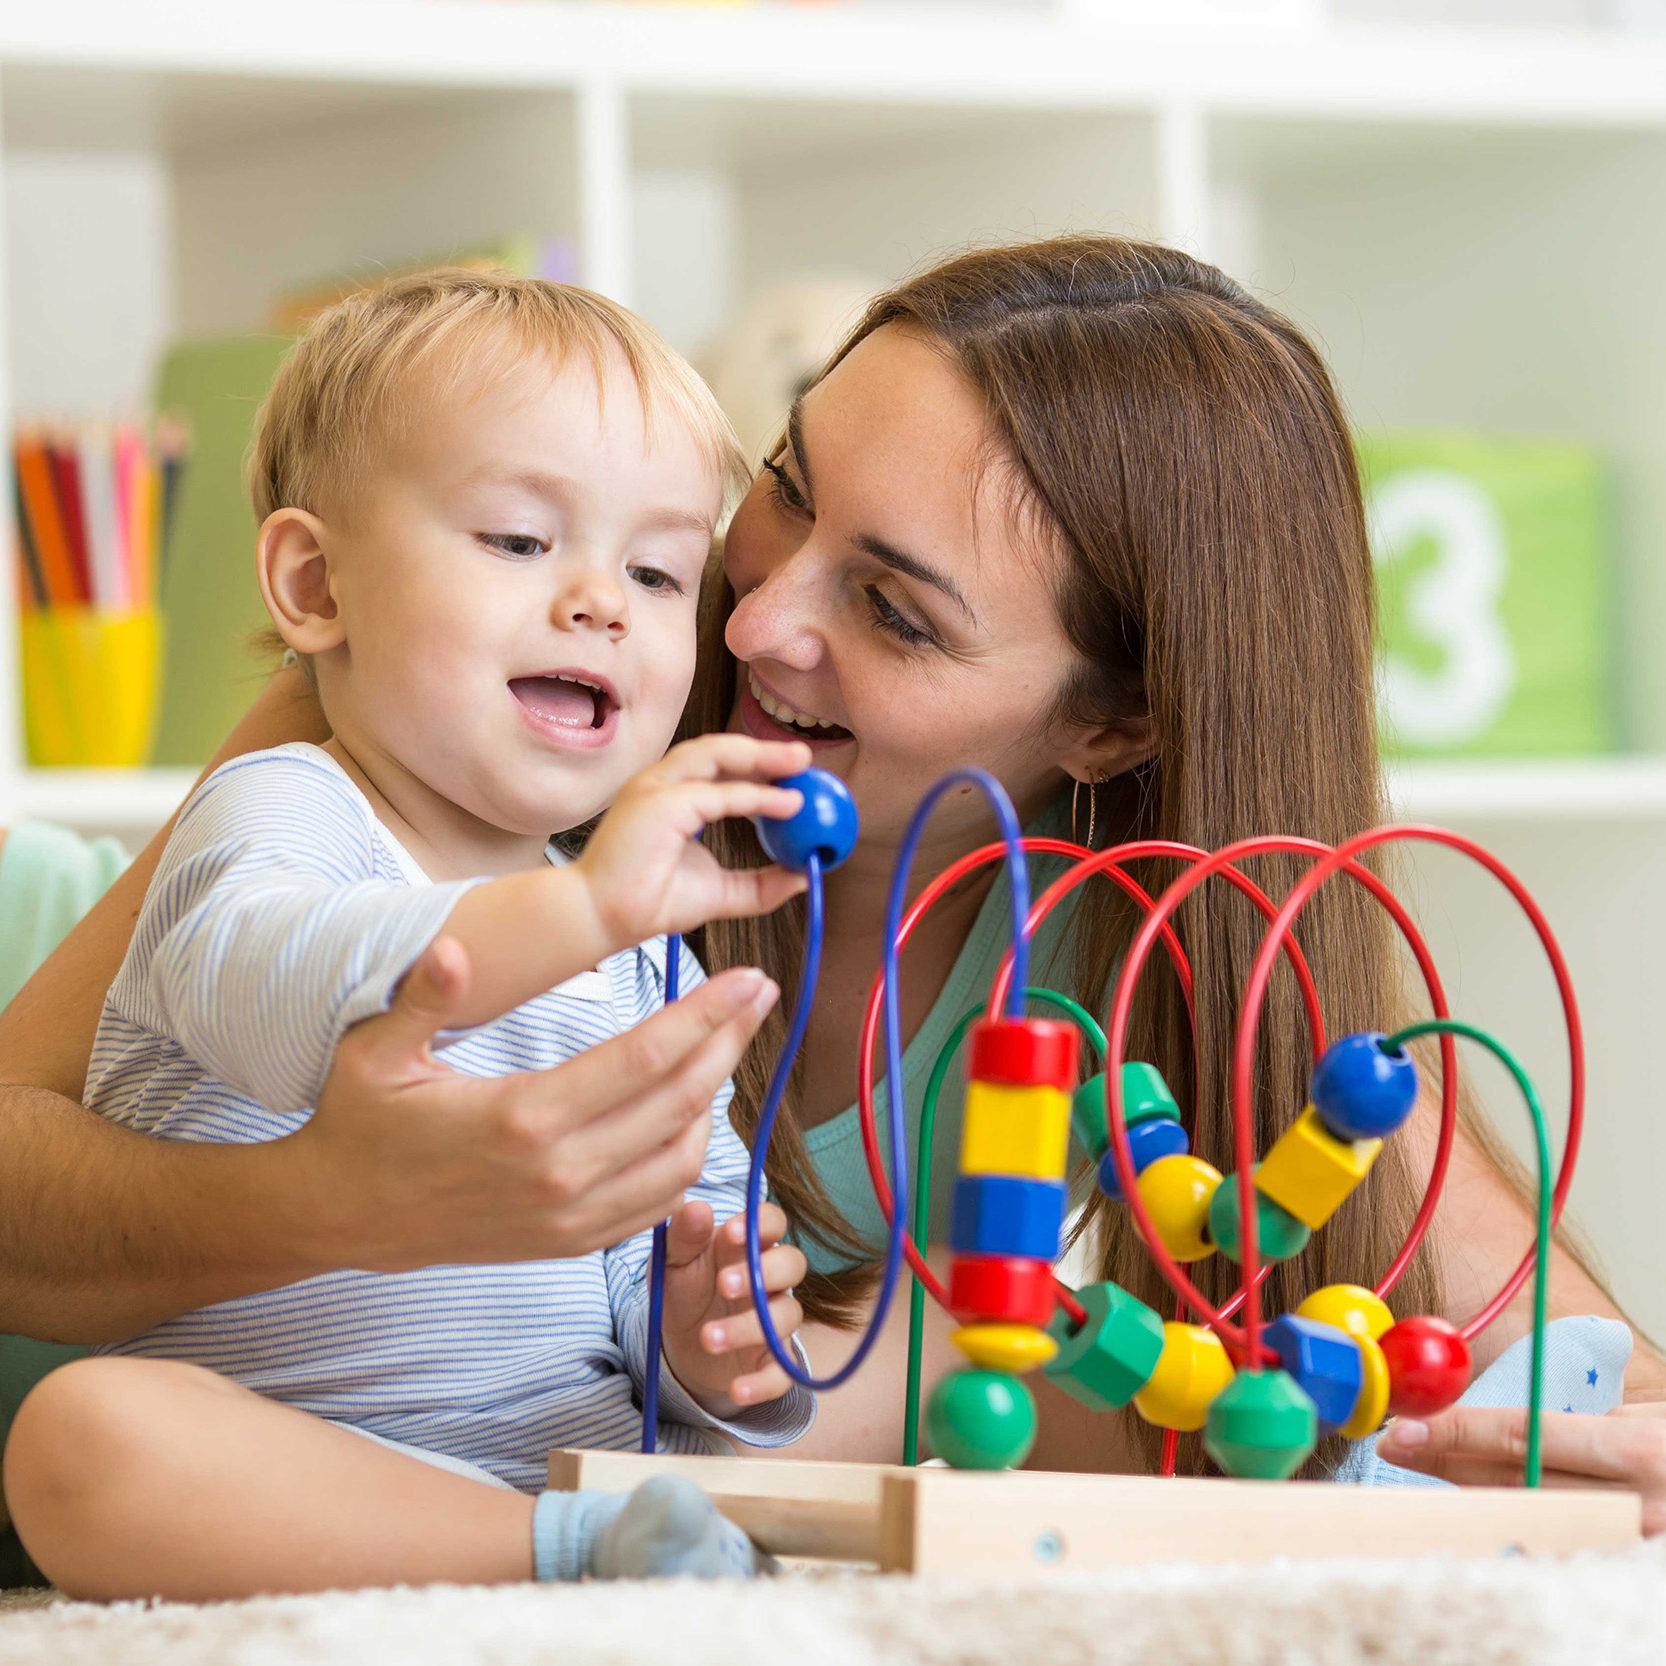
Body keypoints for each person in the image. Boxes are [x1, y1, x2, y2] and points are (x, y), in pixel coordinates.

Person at [3, 236, 1664, 1545]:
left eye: (893, 609)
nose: (739, 623)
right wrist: (337, 1198)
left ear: (1109, 720)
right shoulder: (466, 707)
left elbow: (1571, 1374)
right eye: (782, 486)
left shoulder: (1161, 946)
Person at [2, 270, 819, 1600]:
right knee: (79, 1438)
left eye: (658, 568)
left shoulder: (630, 940)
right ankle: (558, 1560)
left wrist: (710, 1333)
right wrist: (583, 909)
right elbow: (273, 987)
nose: (601, 600)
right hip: (282, 1476)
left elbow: (661, 1230)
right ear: (316, 583)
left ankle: (605, 1540)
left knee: (705, 1427)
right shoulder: (284, 807)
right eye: (515, 540)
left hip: (559, 1448)